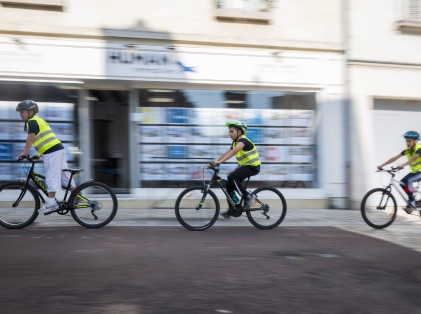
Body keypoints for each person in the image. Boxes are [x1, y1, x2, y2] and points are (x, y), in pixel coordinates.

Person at [16, 100, 75, 214]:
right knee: (63, 173)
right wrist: (39, 154)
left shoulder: (32, 121)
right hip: (57, 149)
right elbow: (45, 140)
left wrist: (25, 152)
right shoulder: (38, 120)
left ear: (30, 112)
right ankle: (76, 194)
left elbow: (31, 137)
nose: (20, 114)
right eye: (20, 112)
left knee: (51, 176)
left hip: (52, 151)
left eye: (22, 112)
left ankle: (52, 203)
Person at [213, 121, 261, 218]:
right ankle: (232, 209)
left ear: (239, 132)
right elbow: (227, 153)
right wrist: (215, 161)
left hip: (252, 167)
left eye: (232, 131)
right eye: (229, 131)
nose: (229, 133)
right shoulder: (235, 143)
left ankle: (248, 197)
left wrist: (220, 162)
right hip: (245, 167)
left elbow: (234, 152)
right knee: (229, 185)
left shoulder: (243, 141)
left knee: (232, 177)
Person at [377, 130, 421, 214]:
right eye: (406, 141)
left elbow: (414, 158)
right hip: (415, 172)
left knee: (409, 180)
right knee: (402, 183)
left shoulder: (419, 149)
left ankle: (412, 203)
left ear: (415, 141)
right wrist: (382, 165)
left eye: (409, 141)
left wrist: (403, 165)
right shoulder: (407, 150)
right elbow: (394, 158)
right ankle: (415, 201)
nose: (407, 143)